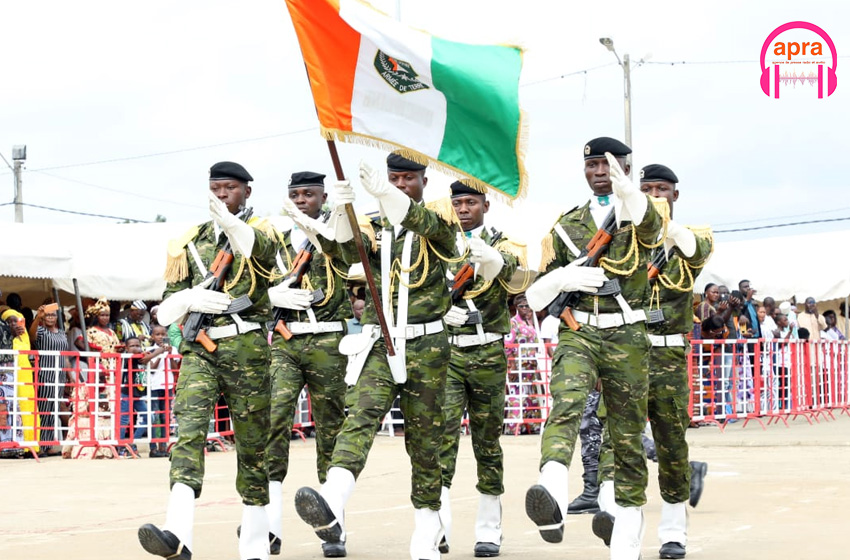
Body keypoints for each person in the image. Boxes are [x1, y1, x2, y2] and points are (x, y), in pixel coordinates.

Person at [287, 153, 460, 560]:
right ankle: (332, 499)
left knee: (425, 442)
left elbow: (430, 229)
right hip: (381, 341)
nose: (400, 185)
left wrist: (384, 194)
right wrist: (341, 213)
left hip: (426, 345)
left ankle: (427, 530)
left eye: (408, 179)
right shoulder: (377, 228)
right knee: (360, 416)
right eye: (393, 179)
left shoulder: (440, 222)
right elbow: (346, 252)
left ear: (423, 182)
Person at [522, 138, 682, 560]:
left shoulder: (645, 214)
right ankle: (552, 485)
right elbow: (538, 293)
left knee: (625, 434)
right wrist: (562, 280)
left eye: (608, 165)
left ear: (626, 168)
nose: (599, 172)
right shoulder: (566, 225)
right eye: (592, 165)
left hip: (626, 336)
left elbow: (651, 228)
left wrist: (631, 196)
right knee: (566, 400)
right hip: (580, 330)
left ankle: (623, 531)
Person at [138, 161, 278, 560]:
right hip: (201, 349)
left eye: (229, 188)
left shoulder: (264, 232)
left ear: (247, 191)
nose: (221, 195)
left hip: (247, 348)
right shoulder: (190, 242)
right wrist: (187, 298)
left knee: (252, 443)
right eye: (216, 188)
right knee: (189, 432)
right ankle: (176, 532)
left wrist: (233, 227)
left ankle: (255, 542)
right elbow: (166, 310)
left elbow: (264, 255)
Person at [590, 163, 713, 560]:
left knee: (671, 443)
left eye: (662, 189)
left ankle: (673, 531)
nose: (655, 195)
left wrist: (664, 228)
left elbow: (694, 252)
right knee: (615, 439)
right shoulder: (620, 240)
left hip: (668, 356)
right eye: (647, 189)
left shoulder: (691, 236)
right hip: (624, 351)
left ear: (676, 195)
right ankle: (616, 520)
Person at [259, 171, 350, 558]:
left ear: (323, 198)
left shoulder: (338, 233)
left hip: (328, 339)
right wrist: (270, 296)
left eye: (309, 194)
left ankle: (333, 524)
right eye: (295, 195)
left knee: (330, 428)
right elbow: (254, 286)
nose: (301, 201)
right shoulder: (276, 240)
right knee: (274, 418)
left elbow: (351, 264)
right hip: (286, 340)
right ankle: (268, 525)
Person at [438, 180, 525, 557]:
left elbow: (512, 274)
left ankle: (489, 529)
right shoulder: (439, 246)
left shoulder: (503, 244)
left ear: (485, 205)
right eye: (457, 202)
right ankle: (436, 524)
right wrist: (442, 312)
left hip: (487, 351)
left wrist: (489, 258)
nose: (463, 209)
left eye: (471, 202)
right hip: (449, 354)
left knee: (487, 443)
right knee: (441, 440)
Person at [29, 302, 69, 455]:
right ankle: (41, 444)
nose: (50, 318)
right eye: (47, 315)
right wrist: (37, 318)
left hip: (59, 375)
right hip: (45, 374)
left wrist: (70, 376)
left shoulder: (61, 333)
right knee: (44, 409)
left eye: (53, 315)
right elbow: (31, 337)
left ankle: (49, 444)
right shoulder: (40, 331)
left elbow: (65, 356)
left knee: (54, 409)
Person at [504, 293, 544, 434]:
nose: (526, 309)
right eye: (523, 306)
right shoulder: (513, 323)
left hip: (531, 366)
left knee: (530, 395)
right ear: (516, 307)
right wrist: (511, 364)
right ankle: (513, 427)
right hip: (518, 364)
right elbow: (508, 345)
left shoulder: (530, 323)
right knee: (517, 394)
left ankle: (531, 426)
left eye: (529, 306)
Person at [1, 307, 40, 453]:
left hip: (25, 377)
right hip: (9, 378)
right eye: (9, 322)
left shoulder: (23, 336)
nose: (13, 324)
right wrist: (9, 334)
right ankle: (15, 446)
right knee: (12, 412)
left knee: (28, 409)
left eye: (15, 321)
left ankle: (31, 445)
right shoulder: (5, 335)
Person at [147, 324, 173, 458]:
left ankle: (163, 446)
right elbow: (151, 368)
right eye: (157, 334)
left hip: (168, 385)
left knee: (165, 416)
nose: (161, 337)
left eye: (163, 334)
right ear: (152, 336)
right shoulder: (149, 349)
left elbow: (175, 366)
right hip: (154, 386)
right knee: (155, 416)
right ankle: (153, 447)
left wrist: (170, 354)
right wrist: (160, 353)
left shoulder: (172, 349)